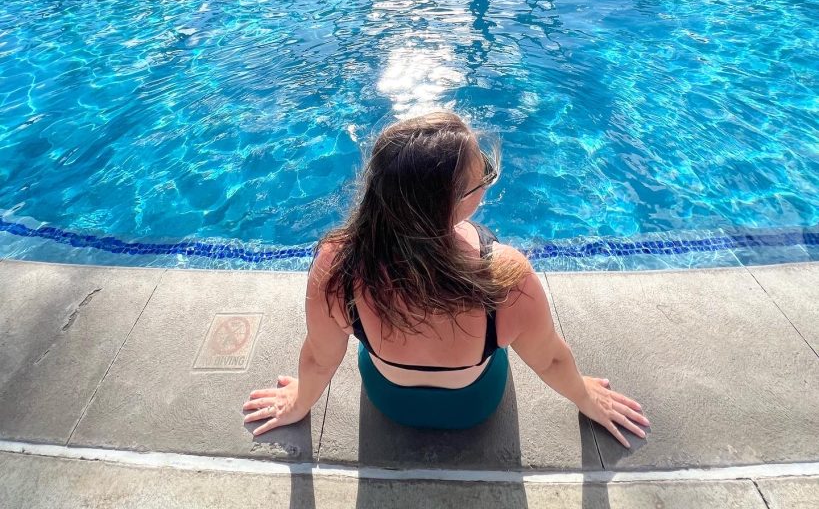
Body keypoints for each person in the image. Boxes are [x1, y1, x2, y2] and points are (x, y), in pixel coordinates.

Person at [243, 112, 649, 444]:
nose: (488, 179)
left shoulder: (337, 266)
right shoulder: (507, 276)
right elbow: (550, 358)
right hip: (472, 404)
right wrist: (584, 396)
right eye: (484, 175)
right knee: (497, 312)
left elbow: (318, 357)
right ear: (450, 203)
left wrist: (298, 403)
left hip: (389, 398)